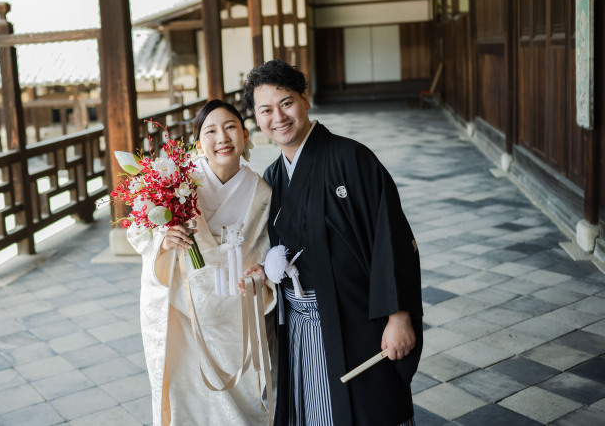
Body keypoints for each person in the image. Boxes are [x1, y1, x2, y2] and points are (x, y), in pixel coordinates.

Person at [242, 60, 423, 426]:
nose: (278, 117)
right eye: (266, 110)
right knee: (312, 410)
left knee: (367, 409)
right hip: (299, 324)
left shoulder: (351, 159)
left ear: (305, 100)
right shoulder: (273, 176)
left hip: (356, 319)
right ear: (257, 119)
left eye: (286, 102)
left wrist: (399, 314)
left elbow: (392, 239)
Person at [127, 99, 277, 426]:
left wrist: (261, 272)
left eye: (230, 127)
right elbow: (138, 230)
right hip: (185, 311)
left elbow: (266, 246)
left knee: (244, 401)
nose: (221, 137)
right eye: (210, 131)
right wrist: (162, 240)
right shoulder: (178, 182)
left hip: (235, 313)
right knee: (188, 402)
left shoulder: (262, 192)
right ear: (198, 144)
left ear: (245, 134)